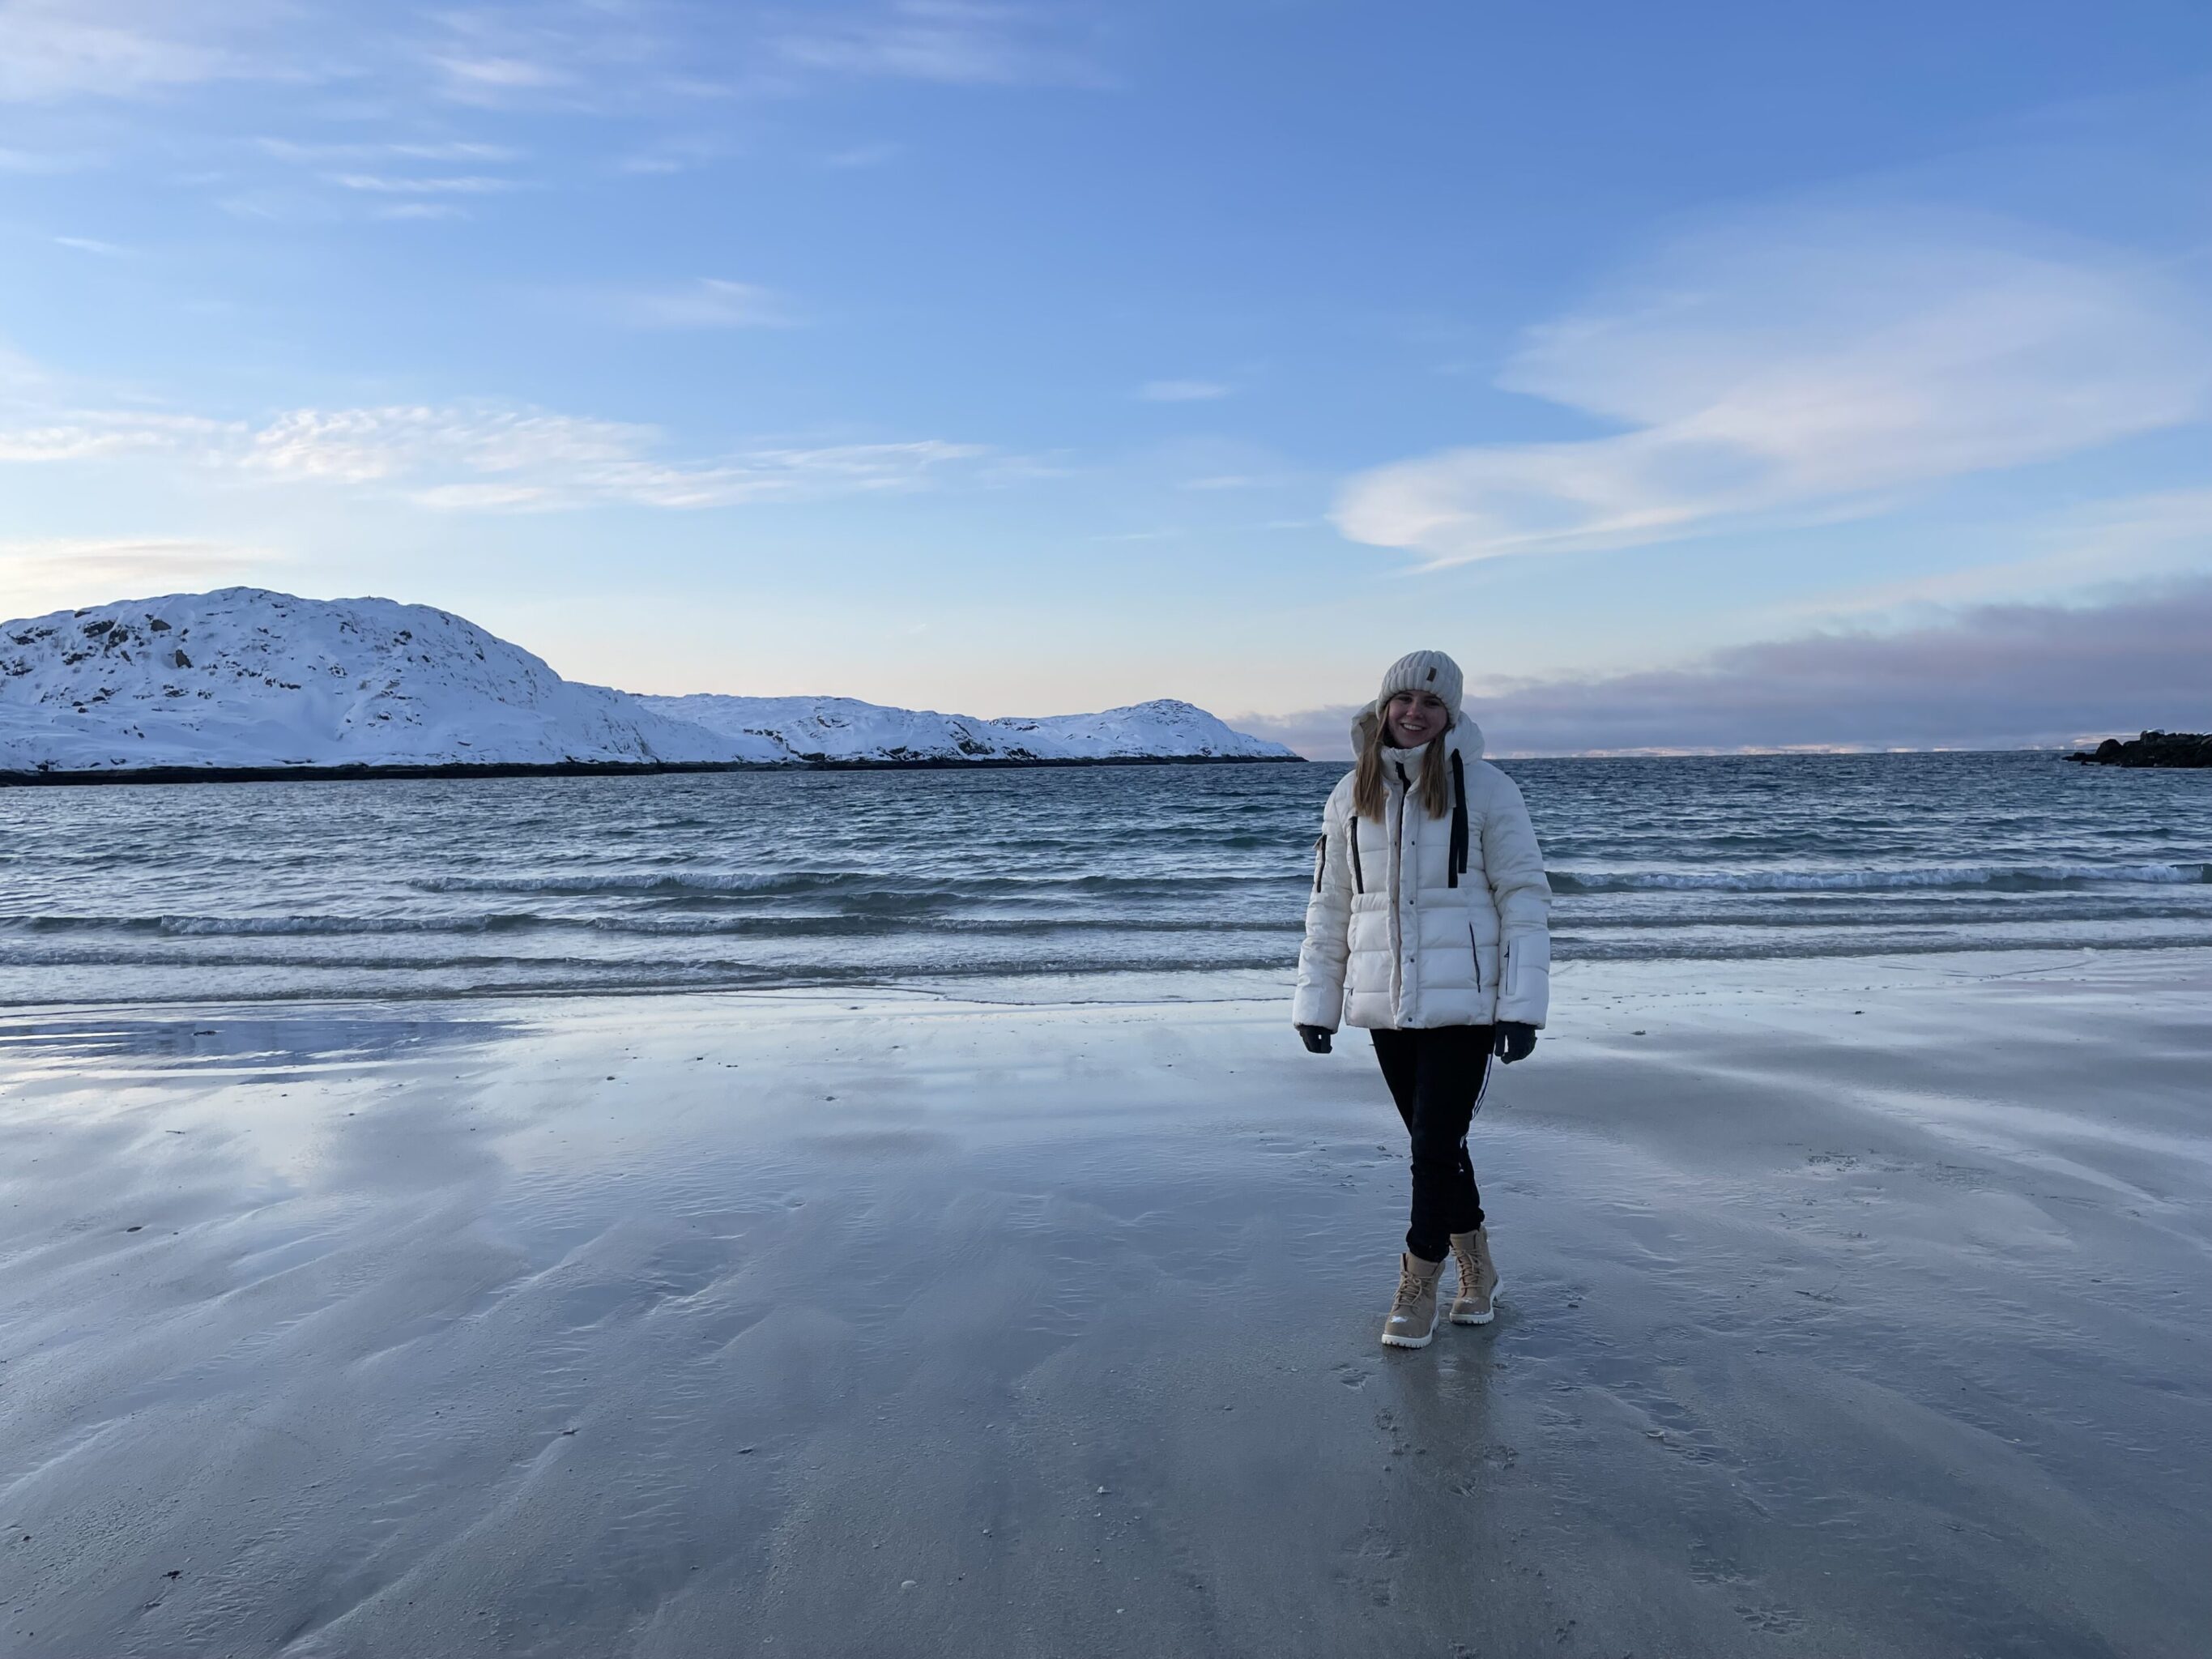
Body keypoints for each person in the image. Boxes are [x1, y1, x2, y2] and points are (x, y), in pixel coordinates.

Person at [1294, 650, 1551, 1350]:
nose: (1414, 713)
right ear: (1383, 707)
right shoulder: (1351, 794)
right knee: (1436, 1145)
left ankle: (1418, 1281)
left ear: (1452, 715)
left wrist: (1521, 1006)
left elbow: (1522, 896)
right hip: (1384, 1002)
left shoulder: (1489, 791)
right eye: (1403, 700)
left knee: (1433, 1148)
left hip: (1467, 1002)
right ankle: (1480, 1268)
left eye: (1431, 704)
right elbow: (1331, 903)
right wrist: (1317, 1002)